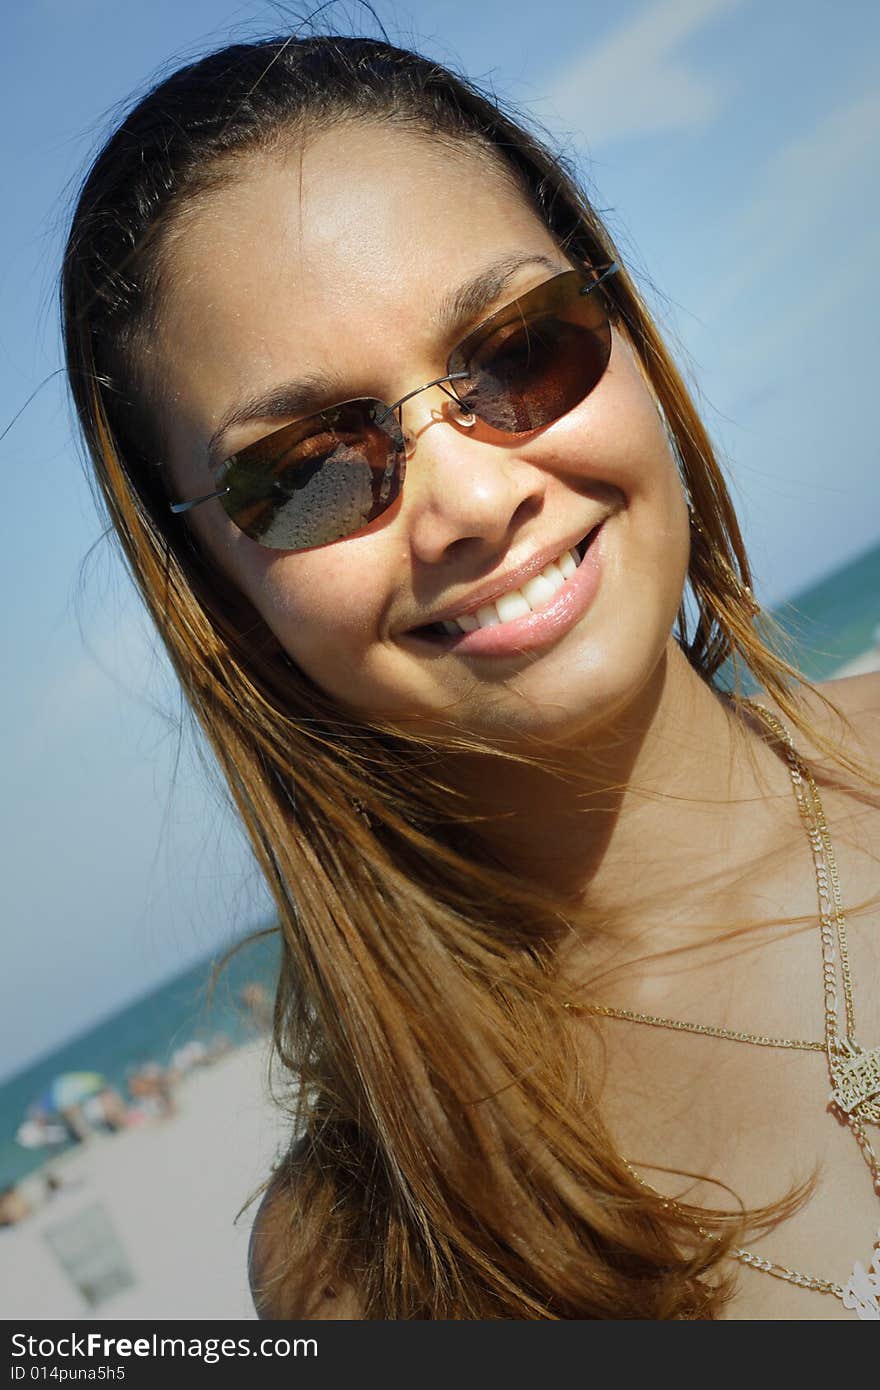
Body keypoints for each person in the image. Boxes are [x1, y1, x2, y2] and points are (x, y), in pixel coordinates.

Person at [60, 33, 879, 1320]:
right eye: (311, 465)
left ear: (625, 333)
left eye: (519, 347)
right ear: (219, 581)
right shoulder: (364, 1265)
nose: (475, 498)